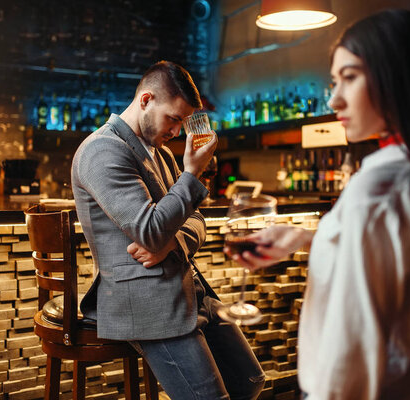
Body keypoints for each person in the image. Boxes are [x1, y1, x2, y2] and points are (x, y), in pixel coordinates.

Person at [227, 9, 410, 400]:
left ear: (396, 76)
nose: (334, 99)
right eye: (334, 81)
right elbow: (396, 259)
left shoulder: (380, 186)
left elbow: (350, 344)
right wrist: (304, 238)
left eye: (349, 78)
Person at [72, 61, 265, 400]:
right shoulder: (102, 150)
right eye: (173, 118)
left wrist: (172, 242)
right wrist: (192, 175)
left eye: (183, 121)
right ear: (145, 100)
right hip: (146, 300)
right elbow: (149, 232)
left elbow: (196, 218)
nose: (177, 131)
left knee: (250, 380)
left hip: (188, 287)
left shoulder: (159, 151)